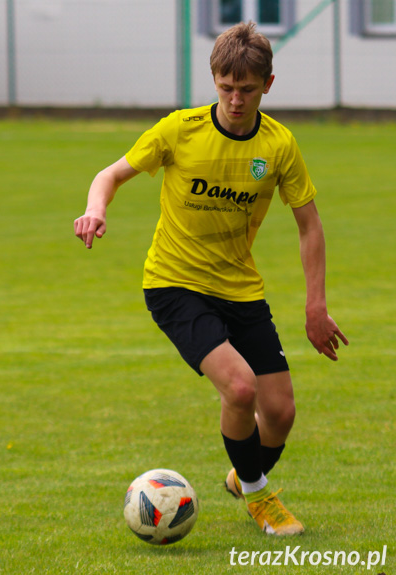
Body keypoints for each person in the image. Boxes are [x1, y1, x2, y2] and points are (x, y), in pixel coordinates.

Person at [74, 22, 347, 536]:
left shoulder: (279, 146)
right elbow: (109, 174)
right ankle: (260, 496)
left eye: (246, 89)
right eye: (226, 87)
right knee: (240, 390)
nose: (236, 99)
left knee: (281, 413)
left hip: (240, 287)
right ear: (214, 80)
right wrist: (95, 209)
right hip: (174, 284)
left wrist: (316, 306)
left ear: (267, 84)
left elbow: (309, 225)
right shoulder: (180, 130)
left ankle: (243, 473)